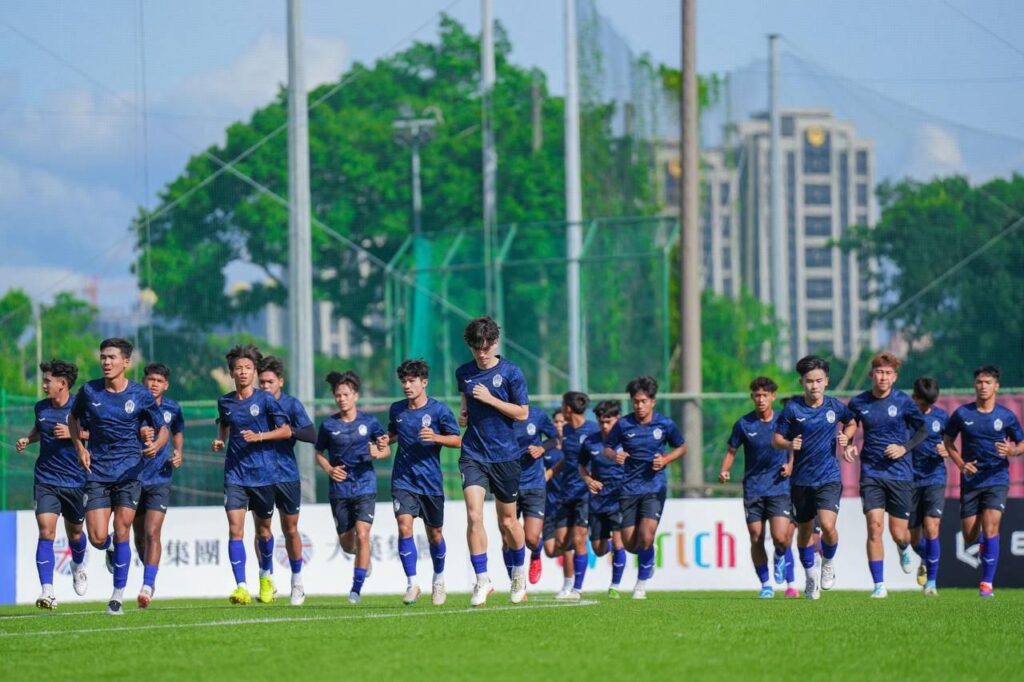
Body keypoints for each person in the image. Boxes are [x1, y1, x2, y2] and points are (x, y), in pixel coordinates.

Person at [69, 338, 167, 615]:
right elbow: (72, 419)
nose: (106, 362)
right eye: (103, 357)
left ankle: (117, 597)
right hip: (98, 473)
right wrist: (79, 448)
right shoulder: (89, 391)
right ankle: (108, 546)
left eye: (112, 357)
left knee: (124, 529)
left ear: (126, 362)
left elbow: (162, 428)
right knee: (97, 537)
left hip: (129, 473)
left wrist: (155, 446)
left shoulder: (140, 394)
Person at [455, 317, 529, 607]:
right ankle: (482, 579)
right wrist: (464, 413)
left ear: (495, 343)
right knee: (474, 515)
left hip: (505, 455)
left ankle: (518, 574)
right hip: (473, 452)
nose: (482, 353)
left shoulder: (511, 372)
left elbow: (522, 413)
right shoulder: (463, 372)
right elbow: (465, 399)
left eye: (486, 347)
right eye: (476, 348)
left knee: (508, 521)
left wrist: (490, 399)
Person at [212, 344, 293, 606]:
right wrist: (220, 440)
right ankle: (241, 587)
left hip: (264, 475)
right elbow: (224, 423)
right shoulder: (225, 402)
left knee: (264, 531)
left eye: (248, 367)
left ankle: (266, 577)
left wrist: (260, 436)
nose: (243, 372)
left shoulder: (266, 399)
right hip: (235, 475)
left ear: (255, 371)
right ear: (231, 373)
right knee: (235, 530)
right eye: (238, 368)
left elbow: (285, 431)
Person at [841, 352, 927, 598]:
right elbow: (849, 426)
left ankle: (904, 547)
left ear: (895, 377)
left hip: (900, 474)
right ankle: (879, 585)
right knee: (874, 526)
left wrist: (904, 448)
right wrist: (849, 445)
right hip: (871, 473)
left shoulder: (904, 402)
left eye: (888, 373)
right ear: (872, 374)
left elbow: (922, 429)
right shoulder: (859, 402)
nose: (883, 377)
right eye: (879, 372)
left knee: (898, 533)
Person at [772, 355, 854, 600]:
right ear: (802, 383)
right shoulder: (793, 409)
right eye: (809, 381)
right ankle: (810, 577)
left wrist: (846, 437)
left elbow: (851, 423)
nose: (814, 385)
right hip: (801, 481)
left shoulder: (835, 406)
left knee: (828, 526)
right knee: (804, 532)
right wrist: (789, 443)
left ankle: (827, 562)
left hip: (829, 477)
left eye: (818, 381)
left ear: (826, 381)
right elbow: (776, 439)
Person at [943, 365, 1024, 598]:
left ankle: (986, 584)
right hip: (971, 481)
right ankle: (982, 543)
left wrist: (1012, 451)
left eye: (988, 382)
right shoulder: (962, 414)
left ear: (996, 386)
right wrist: (960, 464)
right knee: (969, 535)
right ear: (974, 385)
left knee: (991, 528)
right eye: (979, 382)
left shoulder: (1006, 416)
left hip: (997, 479)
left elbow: (1021, 444)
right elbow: (948, 441)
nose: (983, 386)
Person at [385, 359, 461, 606]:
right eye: (403, 381)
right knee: (404, 527)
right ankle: (412, 583)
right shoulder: (397, 409)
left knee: (435, 535)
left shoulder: (439, 411)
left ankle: (438, 580)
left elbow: (457, 440)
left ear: (424, 382)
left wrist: (436, 437)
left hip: (430, 482)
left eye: (411, 381)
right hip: (403, 480)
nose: (407, 386)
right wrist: (384, 440)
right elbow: (394, 433)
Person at [16, 360, 89, 610]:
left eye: (48, 381)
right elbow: (41, 429)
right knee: (46, 531)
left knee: (76, 534)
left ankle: (78, 565)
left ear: (63, 383)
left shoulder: (81, 408)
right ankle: (47, 591)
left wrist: (73, 433)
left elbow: (98, 433)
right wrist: (28, 438)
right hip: (46, 479)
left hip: (75, 480)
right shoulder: (41, 408)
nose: (44, 384)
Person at [605, 376, 686, 600]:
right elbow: (607, 448)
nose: (639, 406)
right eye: (635, 401)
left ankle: (640, 585)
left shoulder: (664, 424)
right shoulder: (623, 424)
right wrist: (615, 455)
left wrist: (666, 459)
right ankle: (649, 553)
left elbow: (682, 447)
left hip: (654, 487)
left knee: (646, 535)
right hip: (629, 488)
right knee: (631, 544)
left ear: (652, 402)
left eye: (643, 401)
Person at [719, 377, 798, 599]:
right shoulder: (744, 424)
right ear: (752, 397)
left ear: (773, 396)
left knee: (781, 537)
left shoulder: (784, 421)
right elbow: (731, 451)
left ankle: (780, 555)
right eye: (757, 395)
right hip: (753, 489)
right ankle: (765, 584)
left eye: (765, 395)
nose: (761, 399)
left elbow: (795, 447)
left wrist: (791, 465)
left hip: (779, 487)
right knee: (756, 537)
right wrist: (724, 469)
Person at [314, 371, 388, 605]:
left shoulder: (370, 422)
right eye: (338, 395)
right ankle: (363, 556)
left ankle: (355, 590)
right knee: (348, 545)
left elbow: (385, 448)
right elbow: (318, 453)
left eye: (346, 394)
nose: (341, 399)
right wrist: (329, 469)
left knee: (363, 535)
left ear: (355, 396)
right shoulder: (328, 425)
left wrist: (379, 452)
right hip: (340, 490)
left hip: (365, 485)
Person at [257, 356, 317, 606]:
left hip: (287, 475)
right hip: (258, 476)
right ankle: (266, 580)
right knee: (262, 530)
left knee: (290, 529)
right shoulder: (253, 404)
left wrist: (289, 431)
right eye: (262, 382)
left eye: (270, 381)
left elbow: (311, 434)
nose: (265, 386)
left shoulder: (291, 404)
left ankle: (297, 582)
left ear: (280, 381)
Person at [133, 363, 184, 608]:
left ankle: (147, 585)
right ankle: (147, 572)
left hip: (160, 478)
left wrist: (178, 452)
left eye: (159, 381)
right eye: (150, 379)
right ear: (144, 381)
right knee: (139, 536)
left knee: (153, 532)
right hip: (132, 478)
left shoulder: (173, 408)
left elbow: (177, 431)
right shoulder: (132, 405)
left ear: (166, 385)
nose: (154, 384)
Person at [553, 391, 600, 600]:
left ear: (568, 408)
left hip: (584, 493)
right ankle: (569, 583)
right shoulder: (566, 431)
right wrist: (551, 472)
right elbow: (568, 459)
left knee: (579, 539)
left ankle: (576, 588)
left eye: (563, 404)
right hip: (566, 492)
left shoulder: (593, 430)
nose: (561, 408)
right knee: (562, 541)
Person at [579, 400, 628, 598]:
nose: (605, 426)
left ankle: (614, 586)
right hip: (598, 499)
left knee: (618, 541)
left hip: (621, 497)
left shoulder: (628, 440)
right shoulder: (590, 442)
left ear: (618, 419)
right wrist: (589, 480)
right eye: (601, 422)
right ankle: (623, 547)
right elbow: (581, 466)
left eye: (609, 422)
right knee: (599, 549)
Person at [907, 377, 949, 596]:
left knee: (932, 527)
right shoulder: (905, 416)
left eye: (930, 403)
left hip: (934, 477)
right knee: (913, 539)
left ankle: (931, 583)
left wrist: (947, 450)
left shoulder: (942, 417)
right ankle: (925, 556)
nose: (927, 408)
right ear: (914, 398)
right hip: (909, 480)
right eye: (923, 403)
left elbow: (950, 445)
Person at [511, 406, 558, 585]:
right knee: (508, 539)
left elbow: (555, 438)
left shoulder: (537, 415)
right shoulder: (499, 416)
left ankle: (536, 553)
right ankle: (516, 583)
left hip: (534, 484)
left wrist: (542, 448)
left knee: (531, 538)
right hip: (508, 485)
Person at [541, 410, 574, 589]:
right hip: (549, 505)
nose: (559, 425)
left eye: (563, 422)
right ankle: (536, 551)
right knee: (550, 550)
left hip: (569, 504)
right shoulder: (545, 447)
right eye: (557, 422)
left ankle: (569, 586)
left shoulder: (575, 445)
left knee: (566, 544)